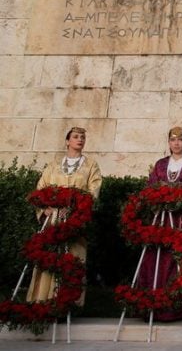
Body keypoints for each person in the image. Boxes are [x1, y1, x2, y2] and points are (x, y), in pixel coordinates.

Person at [27, 127, 102, 306]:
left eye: (83, 137)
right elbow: (40, 188)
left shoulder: (91, 165)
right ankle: (43, 299)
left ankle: (69, 303)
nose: (80, 140)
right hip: (53, 220)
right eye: (75, 137)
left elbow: (94, 190)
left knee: (74, 257)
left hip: (74, 219)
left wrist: (78, 209)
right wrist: (44, 209)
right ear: (67, 141)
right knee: (50, 255)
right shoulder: (54, 164)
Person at [136, 126, 182, 321]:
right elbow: (150, 187)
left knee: (179, 261)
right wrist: (161, 196)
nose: (176, 143)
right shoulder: (159, 165)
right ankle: (152, 307)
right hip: (160, 220)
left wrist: (178, 196)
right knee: (155, 259)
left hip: (181, 220)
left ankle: (176, 309)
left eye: (180, 139)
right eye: (173, 140)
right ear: (168, 143)